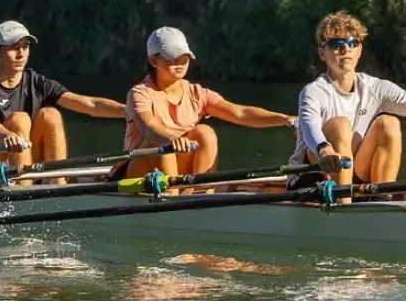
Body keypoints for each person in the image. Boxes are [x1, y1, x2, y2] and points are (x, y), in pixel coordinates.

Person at [291, 12, 406, 190]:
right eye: (337, 44)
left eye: (353, 43)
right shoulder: (314, 91)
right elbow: (309, 125)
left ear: (360, 50)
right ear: (322, 53)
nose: (346, 49)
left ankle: (381, 200)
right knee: (340, 125)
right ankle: (343, 206)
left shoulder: (376, 88)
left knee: (389, 123)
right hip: (313, 173)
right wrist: (323, 149)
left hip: (353, 171)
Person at [122, 26, 295, 183]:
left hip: (179, 167)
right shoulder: (140, 94)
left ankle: (199, 191)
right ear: (153, 62)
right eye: (172, 58)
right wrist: (172, 140)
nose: (180, 63)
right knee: (160, 142)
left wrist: (284, 119)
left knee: (205, 133)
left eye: (184, 57)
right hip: (139, 174)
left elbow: (240, 113)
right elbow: (149, 128)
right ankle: (172, 198)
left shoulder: (198, 94)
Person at [0, 20, 126, 181]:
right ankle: (23, 190)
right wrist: (8, 136)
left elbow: (91, 105)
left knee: (50, 114)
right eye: (14, 48)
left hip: (26, 158)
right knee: (19, 120)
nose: (21, 54)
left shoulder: (37, 83)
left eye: (25, 47)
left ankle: (58, 184)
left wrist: (132, 112)